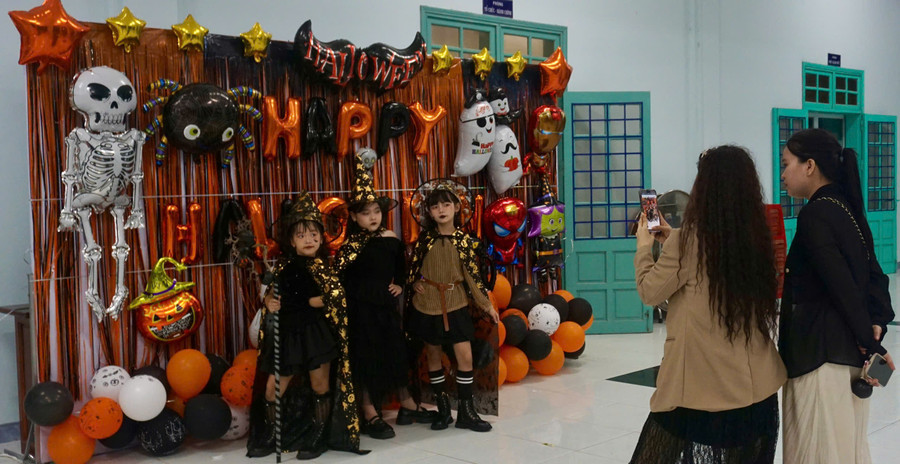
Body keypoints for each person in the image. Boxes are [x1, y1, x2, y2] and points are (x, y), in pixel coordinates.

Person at [631, 145, 787, 463]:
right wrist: (672, 237)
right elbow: (708, 260)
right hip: (758, 392)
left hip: (699, 393)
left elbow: (649, 291)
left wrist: (645, 245)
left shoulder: (688, 241)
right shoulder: (755, 237)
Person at [778, 128, 896, 464]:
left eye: (787, 164)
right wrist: (875, 324)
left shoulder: (816, 214)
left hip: (819, 359)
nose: (783, 174)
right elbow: (875, 275)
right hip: (845, 358)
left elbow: (840, 285)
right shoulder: (847, 208)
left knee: (820, 451)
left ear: (810, 165)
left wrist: (873, 343)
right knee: (848, 449)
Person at [246, 191, 366, 460]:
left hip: (315, 334)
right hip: (288, 335)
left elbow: (336, 297)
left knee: (319, 385)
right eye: (301, 235)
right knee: (273, 388)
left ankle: (318, 435)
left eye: (313, 234)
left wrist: (318, 301)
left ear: (321, 237)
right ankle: (271, 433)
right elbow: (273, 296)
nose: (309, 240)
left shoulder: (324, 268)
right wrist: (270, 301)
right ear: (291, 241)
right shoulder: (283, 268)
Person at [334, 149, 438, 439]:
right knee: (365, 357)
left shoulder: (391, 239)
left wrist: (401, 285)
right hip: (360, 310)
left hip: (385, 307)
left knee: (395, 352)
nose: (373, 217)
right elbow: (339, 280)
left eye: (376, 212)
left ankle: (406, 404)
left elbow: (401, 268)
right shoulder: (349, 247)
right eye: (366, 213)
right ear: (354, 216)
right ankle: (369, 411)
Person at [406, 179, 500, 432]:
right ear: (429, 212)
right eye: (435, 207)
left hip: (456, 302)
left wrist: (486, 306)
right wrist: (415, 283)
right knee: (433, 354)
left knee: (464, 354)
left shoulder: (464, 242)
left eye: (446, 204)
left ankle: (467, 412)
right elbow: (414, 270)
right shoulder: (425, 240)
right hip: (428, 303)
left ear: (457, 207)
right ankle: (443, 409)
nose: (441, 210)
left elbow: (472, 277)